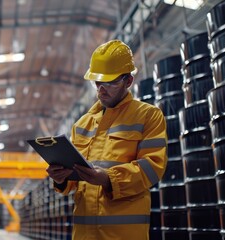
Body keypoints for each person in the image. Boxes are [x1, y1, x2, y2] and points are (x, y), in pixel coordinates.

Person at [46, 40, 168, 240]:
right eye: (98, 83)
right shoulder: (82, 125)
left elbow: (152, 168)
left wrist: (109, 178)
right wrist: (61, 179)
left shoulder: (148, 116)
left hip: (124, 235)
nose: (102, 89)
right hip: (84, 235)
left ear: (128, 81)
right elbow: (72, 185)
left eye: (110, 82)